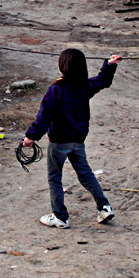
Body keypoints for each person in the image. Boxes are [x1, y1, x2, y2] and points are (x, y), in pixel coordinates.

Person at [22, 49, 122, 229]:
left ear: (62, 66)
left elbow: (44, 117)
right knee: (85, 174)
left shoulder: (56, 90)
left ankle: (60, 216)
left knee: (55, 178)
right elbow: (103, 81)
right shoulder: (84, 87)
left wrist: (31, 136)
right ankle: (104, 206)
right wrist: (109, 65)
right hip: (78, 141)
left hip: (58, 142)